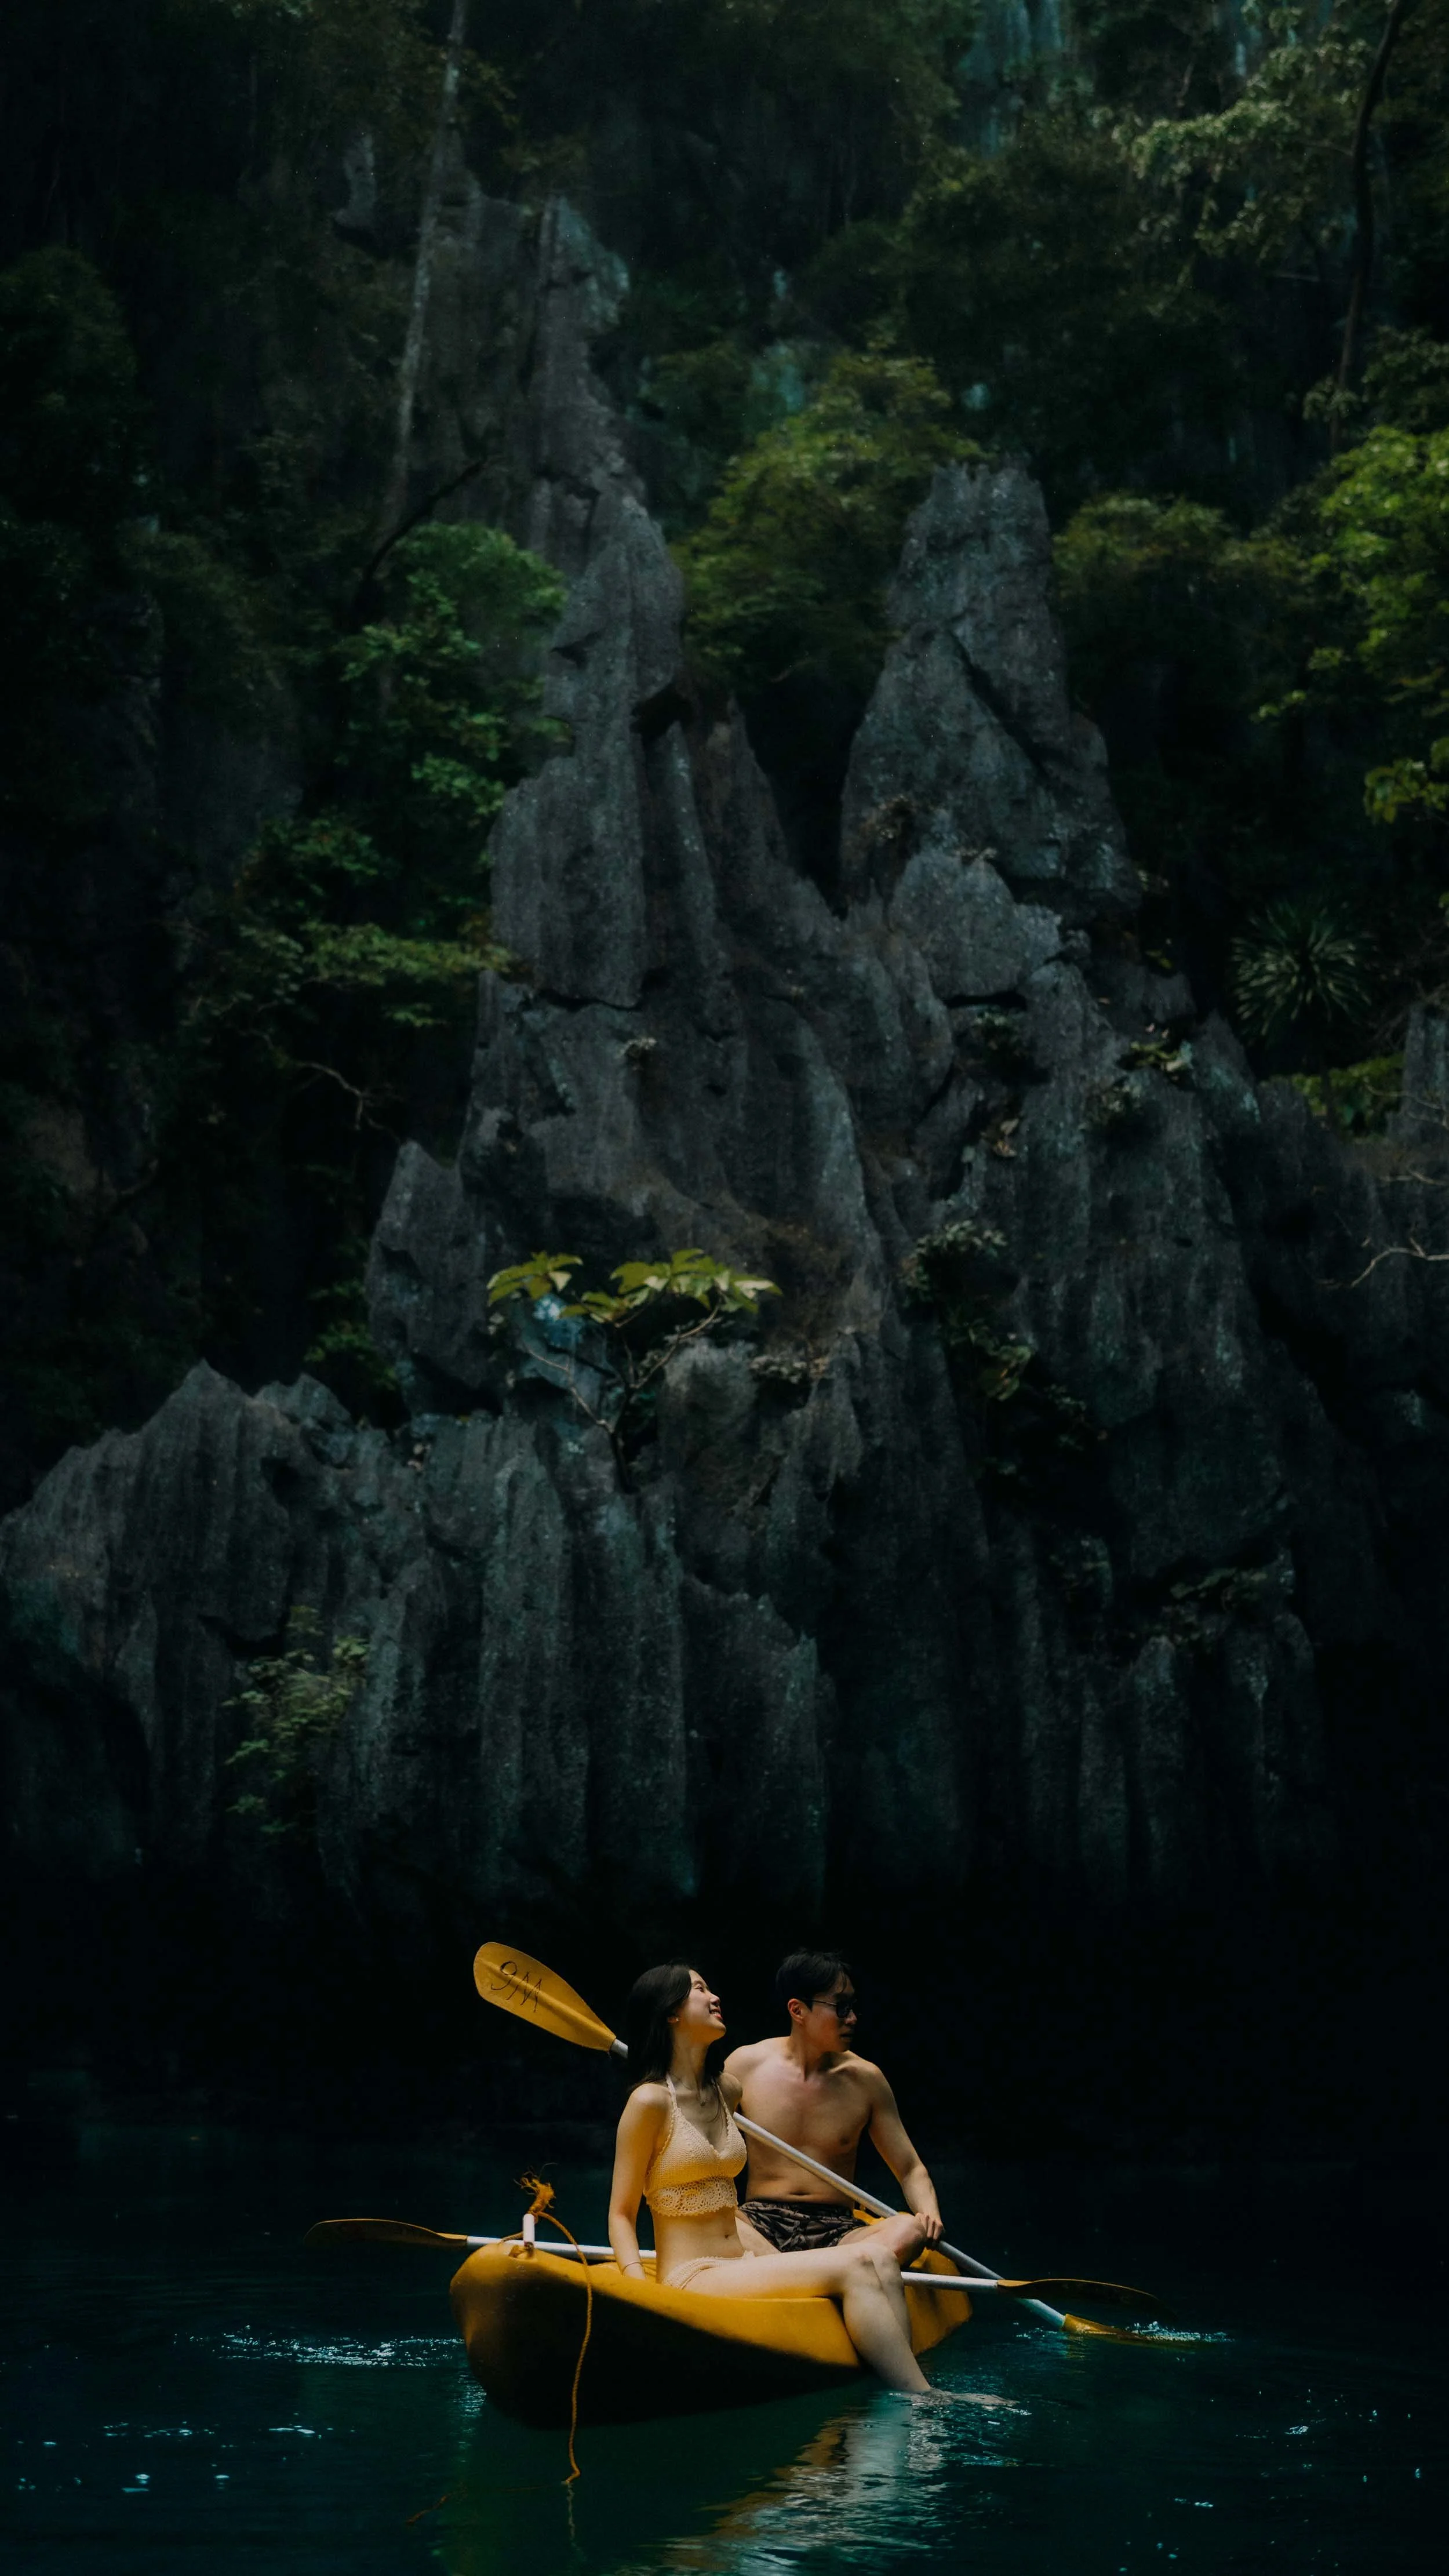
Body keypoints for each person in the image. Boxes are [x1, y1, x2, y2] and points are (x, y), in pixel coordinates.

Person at [607, 1962, 935, 2393]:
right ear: (670, 2013)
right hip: (693, 2272)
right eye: (700, 1990)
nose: (715, 1997)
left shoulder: (725, 2090)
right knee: (858, 2265)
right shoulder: (648, 2103)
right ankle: (924, 2401)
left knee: (879, 2258)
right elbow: (621, 2214)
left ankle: (897, 2392)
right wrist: (640, 2293)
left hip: (745, 2261)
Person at [724, 1949, 944, 2255]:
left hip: (838, 2230)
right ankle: (825, 2271)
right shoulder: (744, 2066)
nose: (852, 2019)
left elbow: (909, 2169)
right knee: (711, 2217)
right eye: (841, 2008)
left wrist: (928, 2211)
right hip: (759, 2221)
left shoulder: (866, 2079)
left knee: (909, 2229)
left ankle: (794, 2269)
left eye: (853, 2007)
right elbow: (701, 2141)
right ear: (798, 2010)